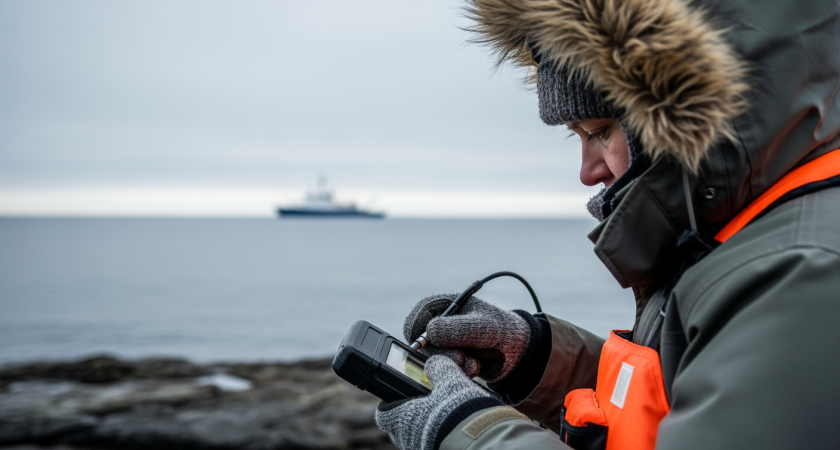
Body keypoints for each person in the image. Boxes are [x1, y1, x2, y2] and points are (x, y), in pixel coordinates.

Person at [375, 1, 840, 450]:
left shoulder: (801, 274)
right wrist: (532, 358)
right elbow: (671, 402)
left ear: (683, 107)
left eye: (599, 131)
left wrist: (465, 431)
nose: (587, 172)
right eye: (575, 137)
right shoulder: (732, 234)